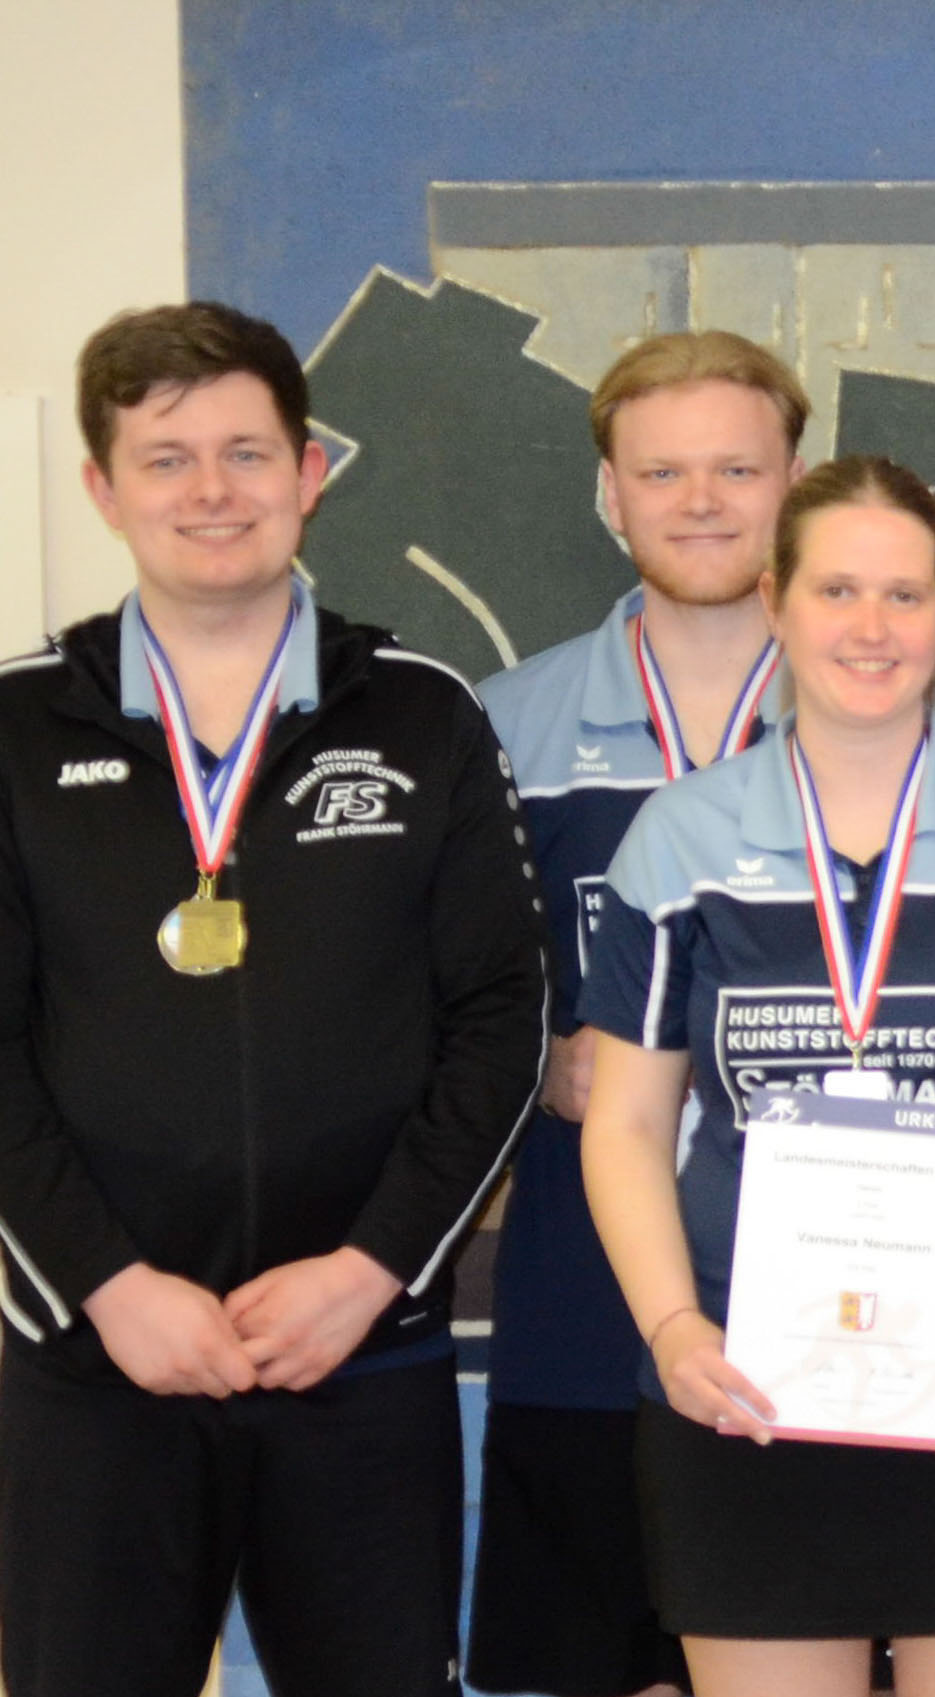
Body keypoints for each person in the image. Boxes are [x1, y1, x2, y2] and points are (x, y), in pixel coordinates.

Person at [0, 300, 545, 1697]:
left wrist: (370, 1271)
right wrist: (109, 1287)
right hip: (99, 1362)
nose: (212, 490)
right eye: (167, 457)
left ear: (309, 472)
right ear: (102, 488)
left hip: (357, 1355)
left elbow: (501, 1020)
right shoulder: (13, 725)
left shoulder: (421, 713)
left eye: (247, 452)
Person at [574, 456, 935, 1696]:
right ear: (775, 602)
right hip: (749, 1386)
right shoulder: (681, 835)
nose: (871, 627)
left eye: (904, 594)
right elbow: (623, 1122)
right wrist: (673, 1329)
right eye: (836, 590)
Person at [472, 327, 809, 1697]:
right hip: (584, 1310)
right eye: (662, 472)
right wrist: (538, 1062)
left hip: (842, 1297)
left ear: (796, 483)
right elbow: (445, 1010)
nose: (702, 500)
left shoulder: (899, 721)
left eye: (738, 467)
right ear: (610, 495)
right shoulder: (499, 729)